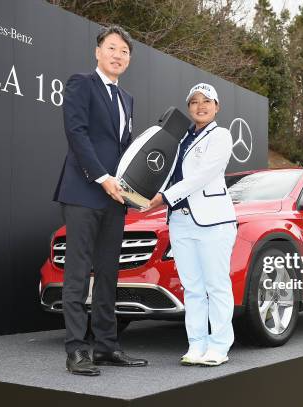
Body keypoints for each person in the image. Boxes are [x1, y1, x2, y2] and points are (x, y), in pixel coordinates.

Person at [53, 25, 147, 376]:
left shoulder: (128, 99)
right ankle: (77, 350)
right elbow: (76, 133)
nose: (118, 55)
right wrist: (102, 178)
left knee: (108, 273)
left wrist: (136, 188)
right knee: (78, 274)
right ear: (98, 52)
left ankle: (106, 346)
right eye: (111, 48)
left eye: (124, 51)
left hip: (115, 200)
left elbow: (126, 151)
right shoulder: (81, 84)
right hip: (83, 192)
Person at [147, 83, 237, 366]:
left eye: (207, 101)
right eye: (194, 102)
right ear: (188, 108)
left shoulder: (220, 135)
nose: (201, 106)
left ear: (217, 107)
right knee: (193, 288)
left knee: (216, 285)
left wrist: (163, 197)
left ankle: (219, 346)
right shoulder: (179, 139)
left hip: (212, 222)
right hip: (180, 221)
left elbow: (202, 175)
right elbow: (166, 172)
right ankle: (196, 344)